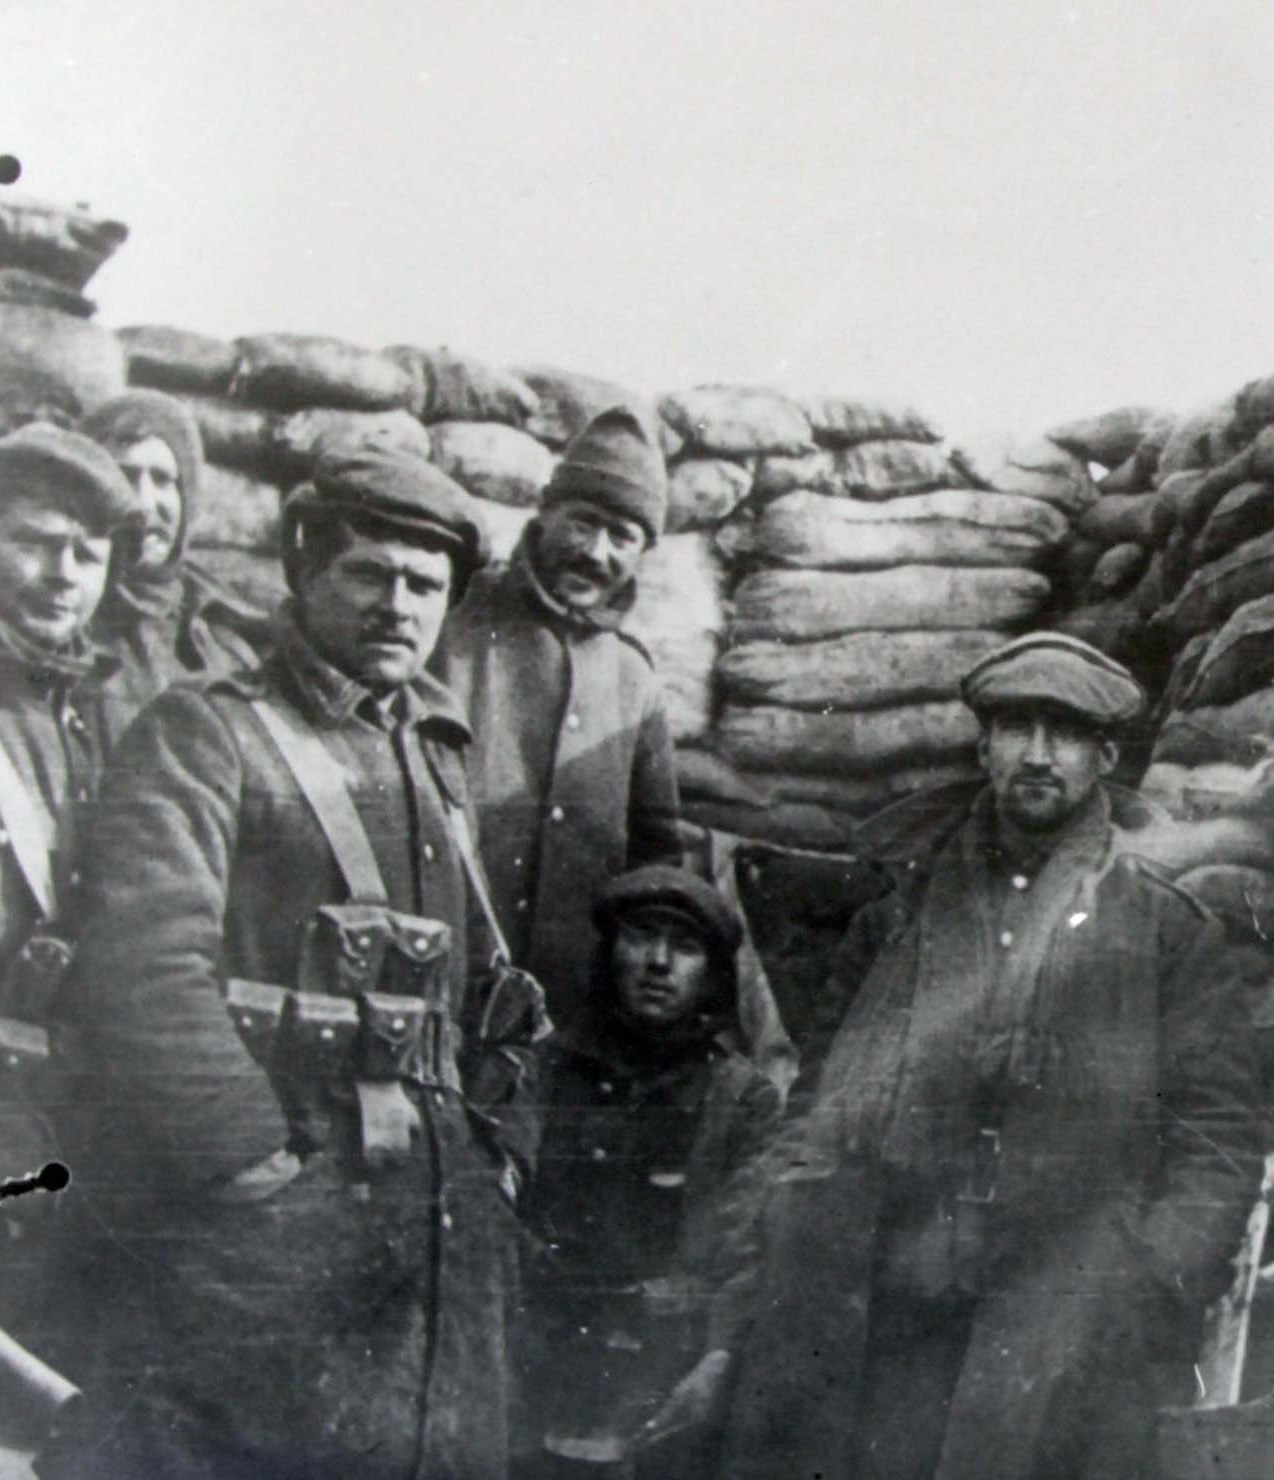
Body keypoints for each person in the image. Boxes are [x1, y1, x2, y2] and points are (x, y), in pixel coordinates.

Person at [44, 446, 545, 1480]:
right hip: (266, 1230)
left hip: (436, 1228)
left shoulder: (437, 753)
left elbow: (484, 987)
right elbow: (143, 968)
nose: (398, 605)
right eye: (370, 574)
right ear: (306, 569)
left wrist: (502, 1153)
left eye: (425, 585)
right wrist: (250, 1165)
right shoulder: (205, 732)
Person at [719, 632, 1262, 1480]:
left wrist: (1149, 1279)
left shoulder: (1163, 930)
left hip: (1067, 1297)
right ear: (985, 746)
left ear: (1105, 757)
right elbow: (818, 1104)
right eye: (1018, 729)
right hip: (898, 1277)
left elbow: (1219, 1139)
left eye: (1066, 733)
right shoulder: (897, 918)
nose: (1039, 755)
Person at [0, 424, 135, 1361]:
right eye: (32, 542)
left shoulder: (88, 717)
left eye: (86, 553)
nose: (63, 574)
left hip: (47, 1122)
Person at [519, 865, 783, 1478]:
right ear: (610, 952)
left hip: (664, 1384)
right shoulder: (541, 1073)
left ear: (713, 974)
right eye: (641, 937)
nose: (659, 962)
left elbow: (745, 1255)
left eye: (685, 947)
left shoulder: (742, 1100)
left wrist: (715, 1360)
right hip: (541, 1371)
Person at [434, 404, 685, 1031]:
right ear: (545, 513)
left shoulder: (635, 680)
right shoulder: (450, 624)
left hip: (566, 1009)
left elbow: (657, 855)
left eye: (623, 537)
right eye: (584, 522)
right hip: (442, 976)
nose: (597, 553)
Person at [77, 389, 270, 740]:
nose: (146, 503)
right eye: (125, 476)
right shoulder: (61, 622)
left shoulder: (227, 636)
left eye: (163, 480)